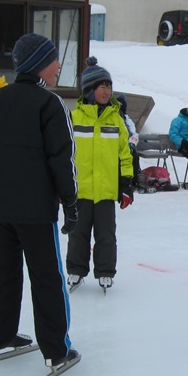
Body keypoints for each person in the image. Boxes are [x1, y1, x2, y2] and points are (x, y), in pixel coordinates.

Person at [0, 33, 80, 371]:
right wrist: (70, 202)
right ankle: (57, 350)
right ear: (40, 64)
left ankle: (0, 336)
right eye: (54, 60)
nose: (58, 66)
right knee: (47, 278)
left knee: (1, 274)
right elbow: (62, 159)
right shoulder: (50, 103)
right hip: (35, 212)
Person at [66, 57, 134, 291]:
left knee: (106, 235)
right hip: (81, 189)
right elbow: (64, 154)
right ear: (89, 89)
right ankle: (76, 270)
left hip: (106, 190)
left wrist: (126, 183)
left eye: (109, 86)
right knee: (78, 233)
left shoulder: (116, 120)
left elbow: (125, 154)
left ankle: (105, 271)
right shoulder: (74, 118)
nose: (107, 91)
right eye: (102, 86)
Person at [116, 93, 141, 185]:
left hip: (126, 145)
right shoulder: (111, 118)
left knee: (134, 156)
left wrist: (132, 143)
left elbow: (134, 134)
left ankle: (133, 180)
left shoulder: (127, 120)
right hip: (114, 146)